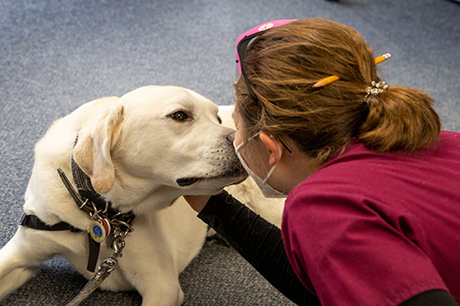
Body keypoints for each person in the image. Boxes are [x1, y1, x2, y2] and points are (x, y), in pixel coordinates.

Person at [184, 18, 460, 306]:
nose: (234, 140)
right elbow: (332, 282)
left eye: (235, 129)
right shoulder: (434, 139)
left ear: (271, 147)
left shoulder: (322, 205)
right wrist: (211, 203)